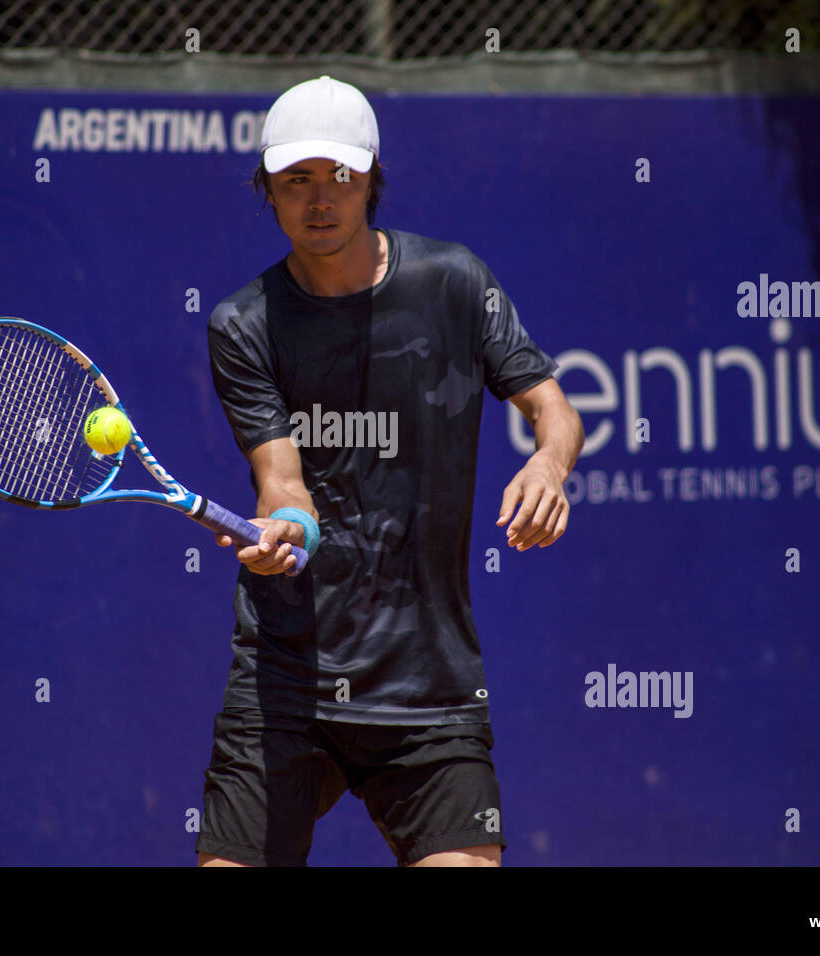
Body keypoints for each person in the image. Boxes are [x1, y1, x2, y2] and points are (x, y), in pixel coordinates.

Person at [198, 75, 585, 867]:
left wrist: (550, 464)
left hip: (430, 687)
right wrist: (288, 530)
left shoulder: (454, 281)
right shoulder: (243, 325)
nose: (318, 198)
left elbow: (556, 411)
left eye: (337, 176)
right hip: (286, 682)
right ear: (266, 190)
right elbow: (283, 483)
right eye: (294, 179)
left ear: (372, 176)